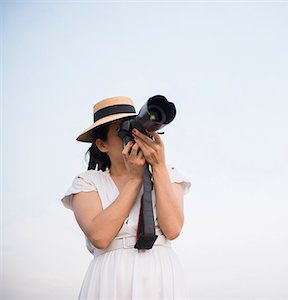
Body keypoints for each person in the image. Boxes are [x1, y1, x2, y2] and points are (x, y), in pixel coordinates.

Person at [60, 96, 192, 299]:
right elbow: (100, 237)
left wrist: (157, 166)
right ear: (102, 145)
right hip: (110, 280)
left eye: (135, 127)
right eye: (122, 131)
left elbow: (173, 229)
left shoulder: (168, 173)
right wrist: (135, 180)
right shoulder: (87, 182)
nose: (132, 135)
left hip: (161, 277)